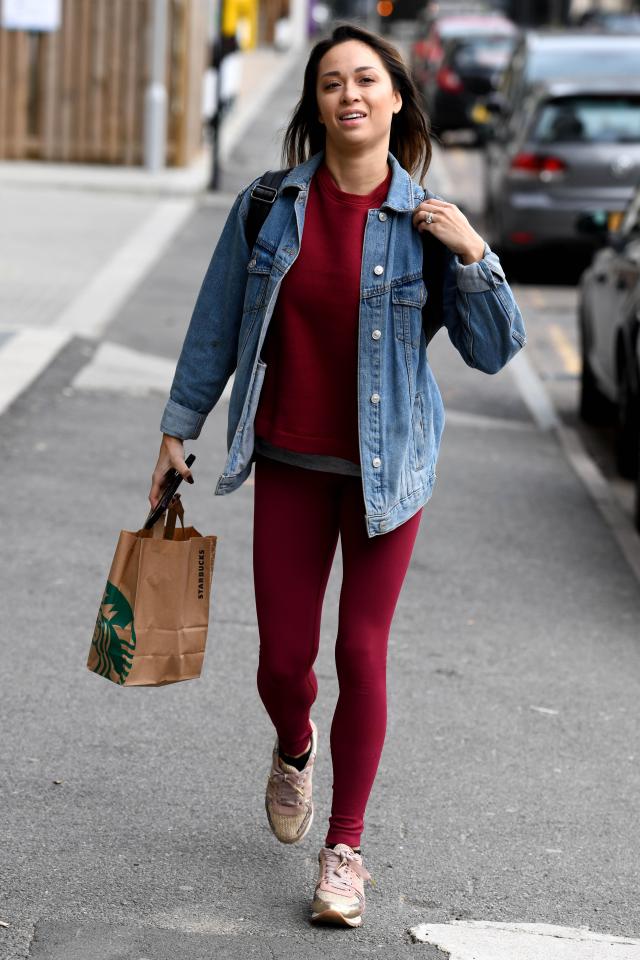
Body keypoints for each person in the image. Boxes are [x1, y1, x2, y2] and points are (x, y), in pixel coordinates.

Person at [149, 23, 526, 929]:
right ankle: (293, 745)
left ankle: (345, 850)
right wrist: (178, 427)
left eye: (366, 80)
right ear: (315, 104)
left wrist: (475, 255)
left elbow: (495, 350)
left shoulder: (429, 224)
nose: (349, 95)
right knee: (283, 663)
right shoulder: (269, 206)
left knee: (360, 653)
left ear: (398, 99)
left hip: (388, 473)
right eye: (330, 83)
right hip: (287, 458)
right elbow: (215, 324)